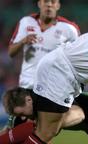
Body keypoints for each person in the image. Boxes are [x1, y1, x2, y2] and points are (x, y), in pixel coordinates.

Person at [5, 0, 80, 131]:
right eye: (46, 1)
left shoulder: (69, 29)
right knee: (16, 129)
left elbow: (78, 57)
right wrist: (23, 41)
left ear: (58, 5)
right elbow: (11, 52)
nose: (49, 5)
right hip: (26, 86)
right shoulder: (26, 22)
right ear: (39, 3)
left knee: (43, 130)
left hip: (50, 88)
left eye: (53, 2)